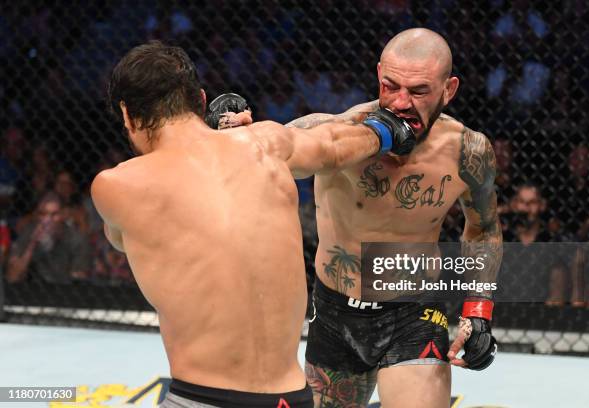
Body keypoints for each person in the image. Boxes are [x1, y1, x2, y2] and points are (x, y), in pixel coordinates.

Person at [92, 41, 416, 408]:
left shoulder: (116, 185)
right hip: (292, 398)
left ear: (128, 115)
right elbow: (333, 145)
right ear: (200, 99)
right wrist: (388, 130)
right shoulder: (265, 143)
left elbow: (120, 239)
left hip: (203, 398)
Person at [286, 28, 502, 408]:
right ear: (378, 76)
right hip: (336, 311)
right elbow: (271, 150)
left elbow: (483, 228)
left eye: (418, 91)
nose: (401, 102)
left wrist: (479, 309)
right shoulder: (335, 133)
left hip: (414, 311)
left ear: (448, 90)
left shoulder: (468, 151)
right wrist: (236, 127)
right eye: (391, 86)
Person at [6, 192, 91, 284]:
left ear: (62, 215)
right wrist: (32, 244)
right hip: (32, 291)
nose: (47, 220)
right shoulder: (29, 232)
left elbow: (78, 280)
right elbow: (12, 277)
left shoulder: (76, 238)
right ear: (37, 215)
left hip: (64, 291)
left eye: (54, 214)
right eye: (43, 214)